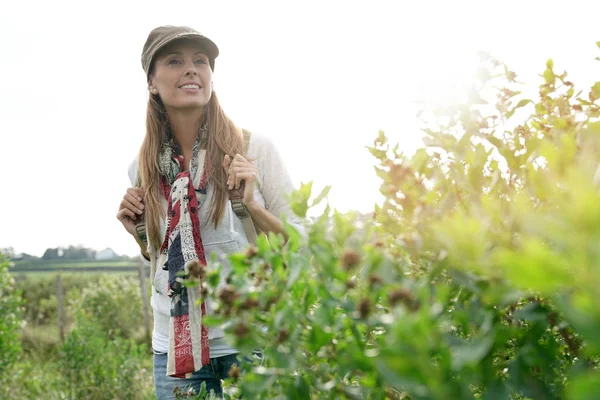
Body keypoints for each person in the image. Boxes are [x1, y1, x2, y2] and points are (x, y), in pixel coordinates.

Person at [116, 25, 305, 399]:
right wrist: (138, 235)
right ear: (152, 83)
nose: (191, 69)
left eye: (200, 61)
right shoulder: (142, 168)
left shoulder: (254, 148)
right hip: (175, 352)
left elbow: (301, 241)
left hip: (251, 342)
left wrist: (252, 205)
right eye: (175, 61)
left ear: (211, 77)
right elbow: (164, 263)